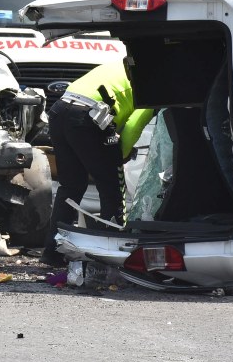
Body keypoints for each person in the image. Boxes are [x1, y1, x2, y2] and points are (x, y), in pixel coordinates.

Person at [41, 61, 154, 266]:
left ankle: (52, 251)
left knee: (71, 185)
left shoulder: (124, 63)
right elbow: (134, 126)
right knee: (111, 186)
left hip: (60, 110)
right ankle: (111, 255)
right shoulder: (153, 81)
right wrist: (121, 156)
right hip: (89, 116)